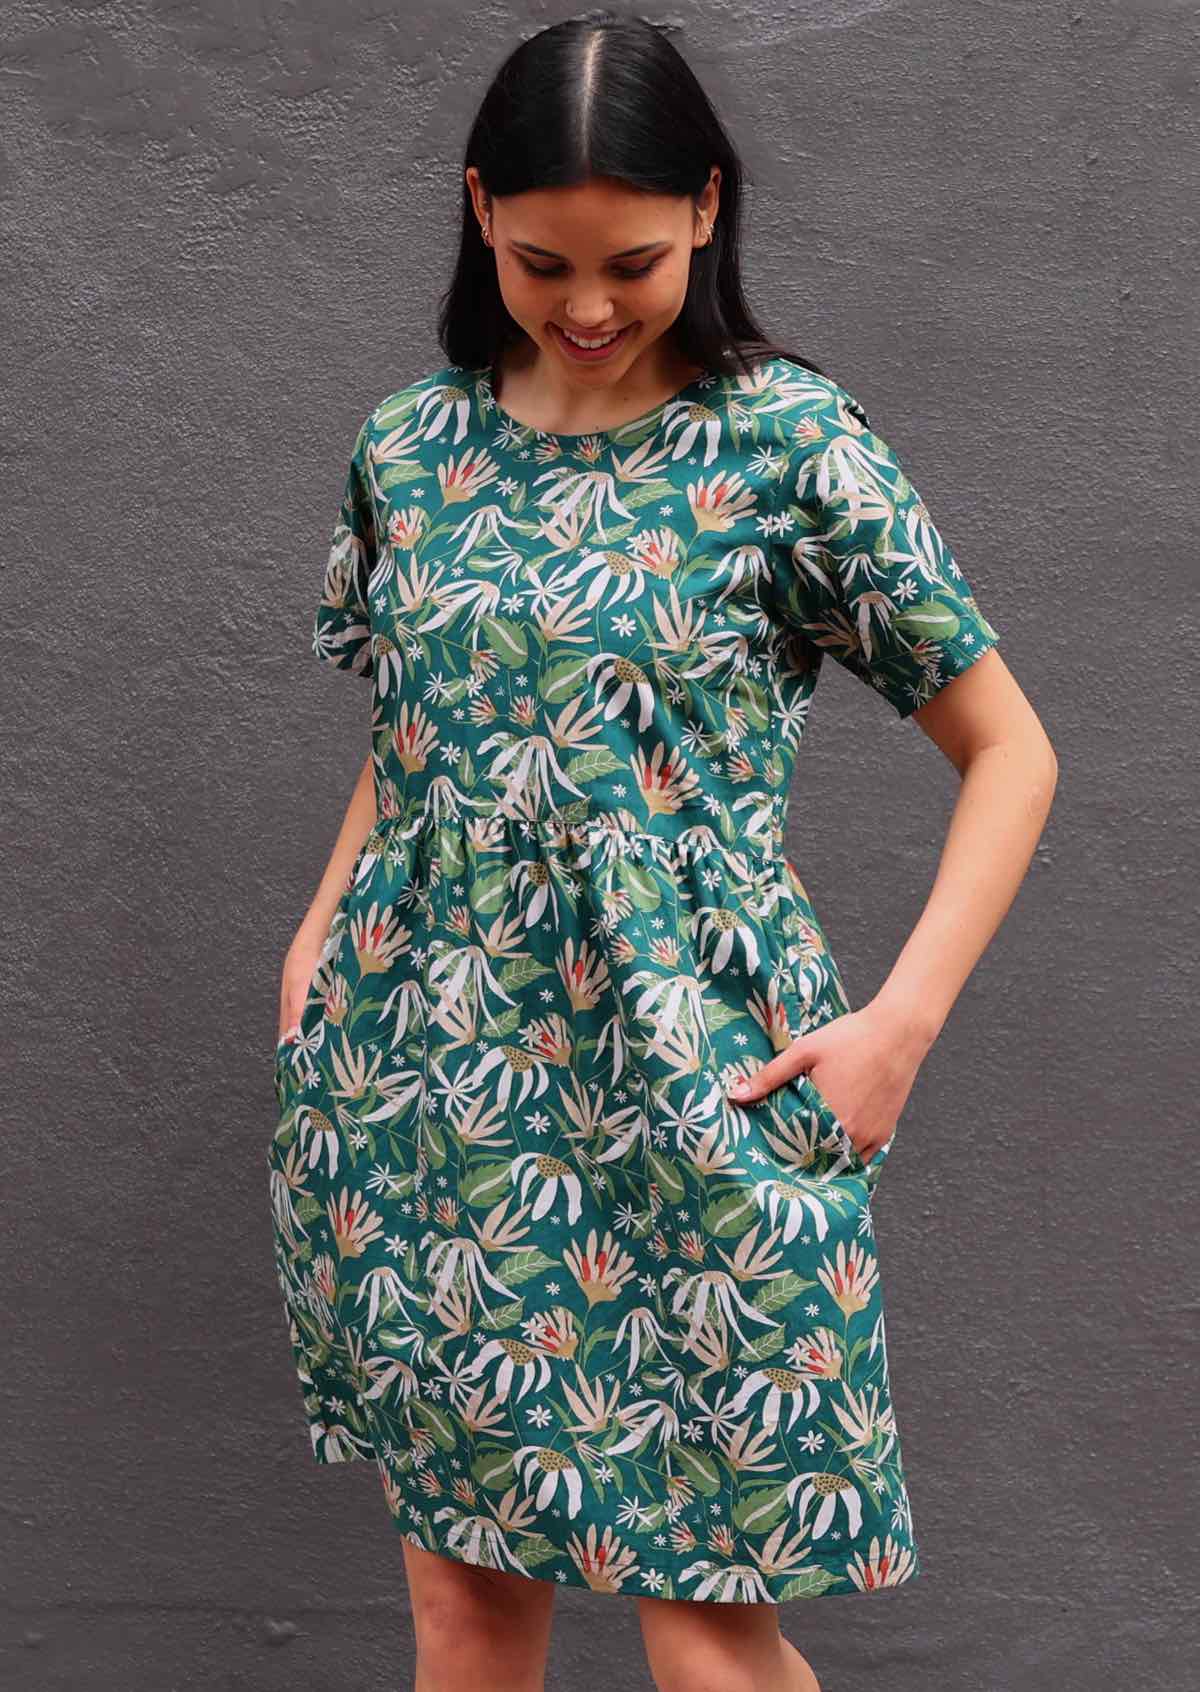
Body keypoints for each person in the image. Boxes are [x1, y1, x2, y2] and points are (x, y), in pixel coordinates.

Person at [266, 14, 1056, 1691]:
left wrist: (897, 1027)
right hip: (435, 1086)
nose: (589, 304)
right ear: (480, 211)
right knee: (465, 1613)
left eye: (632, 258)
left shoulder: (790, 445)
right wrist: (323, 925)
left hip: (694, 1070)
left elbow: (1013, 754)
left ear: (708, 210)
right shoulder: (410, 447)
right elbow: (419, 727)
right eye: (544, 259)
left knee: (706, 1633)